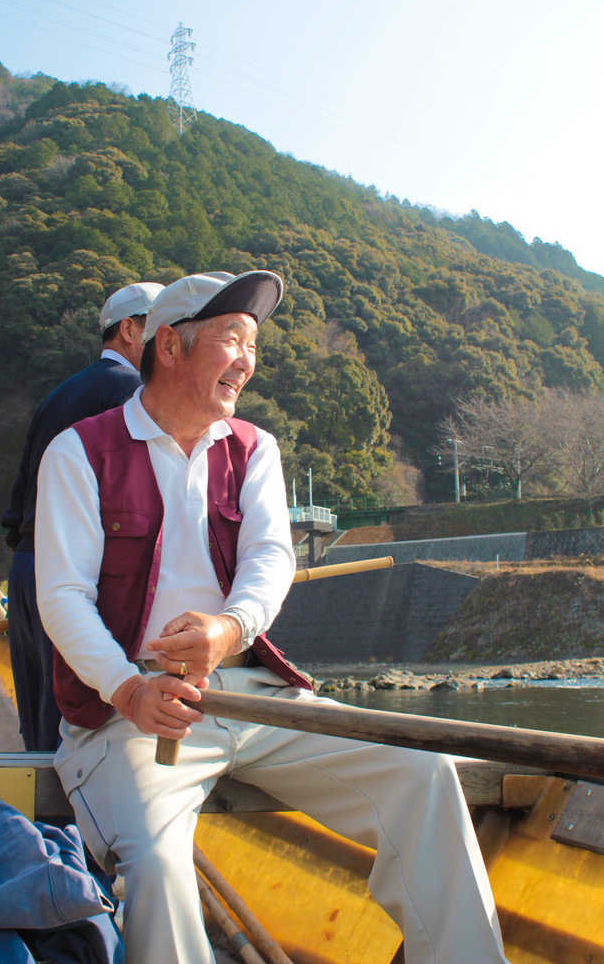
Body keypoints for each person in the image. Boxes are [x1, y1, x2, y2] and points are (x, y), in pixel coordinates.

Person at [35, 270, 510, 964]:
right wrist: (130, 689)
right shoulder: (80, 451)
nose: (247, 361)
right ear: (169, 345)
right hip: (130, 709)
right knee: (158, 865)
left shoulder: (255, 448)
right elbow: (61, 597)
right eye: (232, 339)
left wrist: (229, 630)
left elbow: (269, 562)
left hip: (257, 699)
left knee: (425, 774)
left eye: (253, 345)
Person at [2, 281, 163, 752]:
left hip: (28, 572)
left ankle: (35, 826)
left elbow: (18, 500)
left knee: (37, 733)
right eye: (163, 332)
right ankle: (68, 829)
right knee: (79, 730)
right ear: (131, 331)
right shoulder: (132, 394)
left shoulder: (58, 395)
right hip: (77, 576)